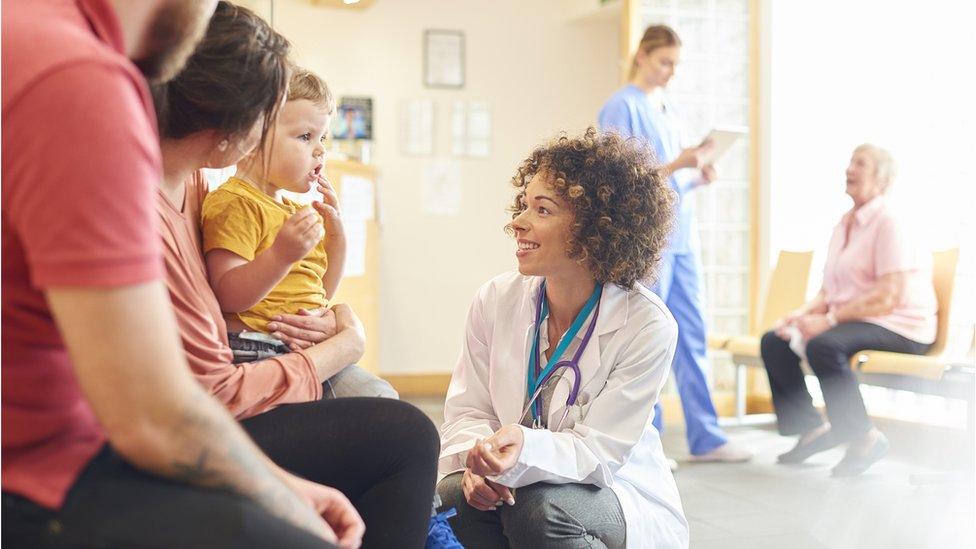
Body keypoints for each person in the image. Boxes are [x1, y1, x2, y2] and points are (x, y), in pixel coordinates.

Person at [2, 1, 365, 547]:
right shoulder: (80, 81)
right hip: (48, 472)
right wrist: (283, 493)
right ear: (231, 136)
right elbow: (154, 413)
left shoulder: (44, 39)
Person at [151, 4, 440, 546]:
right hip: (240, 384)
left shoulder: (194, 187)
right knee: (404, 429)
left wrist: (339, 296)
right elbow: (223, 344)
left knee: (387, 412)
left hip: (272, 364)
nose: (317, 153)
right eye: (297, 133)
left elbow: (319, 292)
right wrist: (344, 342)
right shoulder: (222, 203)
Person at [437, 129, 689, 548]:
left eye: (542, 209)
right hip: (517, 478)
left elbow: (600, 453)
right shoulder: (495, 300)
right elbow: (466, 411)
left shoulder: (647, 325)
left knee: (540, 508)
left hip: (615, 492)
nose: (516, 222)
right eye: (523, 205)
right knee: (456, 498)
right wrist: (477, 459)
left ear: (595, 229)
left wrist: (522, 449)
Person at [598, 24, 751, 463]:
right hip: (651, 242)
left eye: (675, 65)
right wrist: (677, 163)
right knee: (648, 336)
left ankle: (706, 435)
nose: (670, 72)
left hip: (683, 239)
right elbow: (618, 180)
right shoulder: (620, 107)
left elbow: (670, 183)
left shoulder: (669, 108)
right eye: (664, 62)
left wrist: (695, 175)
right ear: (642, 55)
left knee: (692, 333)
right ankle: (647, 443)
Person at [760, 144, 936, 477]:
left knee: (824, 344)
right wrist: (799, 316)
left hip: (902, 325)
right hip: (858, 318)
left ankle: (864, 438)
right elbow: (829, 291)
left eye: (861, 164)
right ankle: (811, 429)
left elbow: (889, 295)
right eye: (850, 162)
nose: (849, 169)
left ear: (881, 179)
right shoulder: (844, 224)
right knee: (775, 340)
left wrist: (827, 321)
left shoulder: (889, 222)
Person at [201, 67, 348, 364]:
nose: (321, 150)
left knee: (376, 394)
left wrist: (337, 236)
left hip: (300, 350)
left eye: (324, 138)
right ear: (254, 140)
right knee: (377, 396)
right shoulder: (235, 203)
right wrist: (281, 255)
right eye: (306, 136)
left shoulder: (295, 212)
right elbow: (228, 296)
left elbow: (320, 292)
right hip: (258, 348)